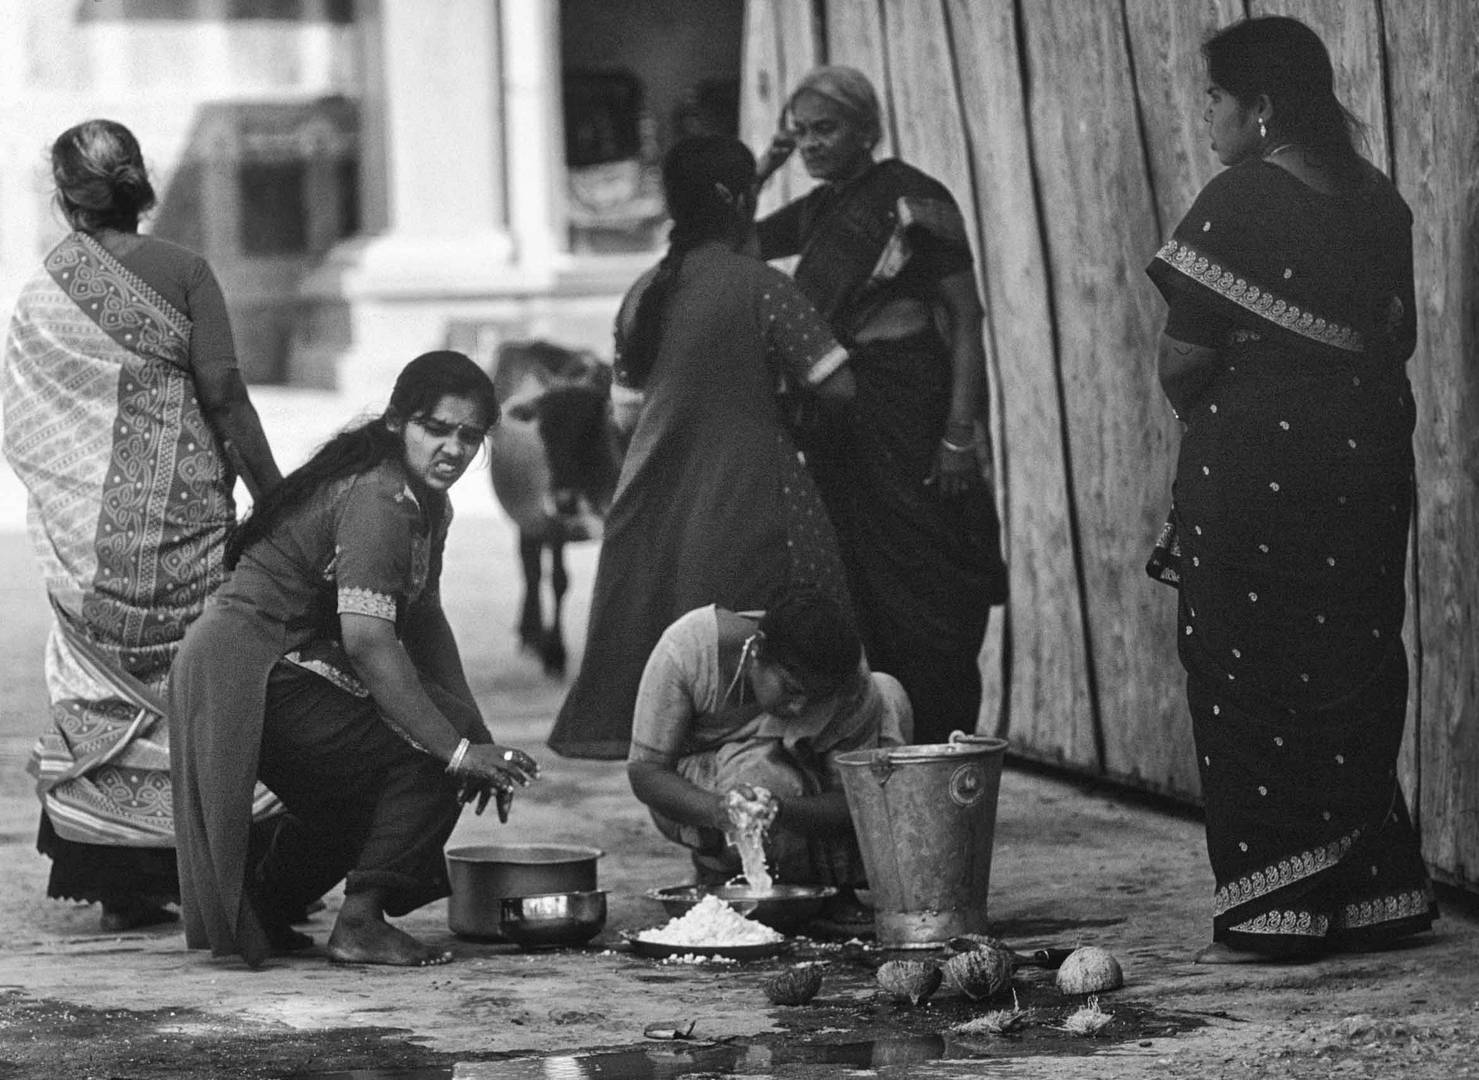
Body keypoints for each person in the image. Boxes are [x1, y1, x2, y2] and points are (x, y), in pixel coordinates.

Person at [1145, 16, 1436, 963]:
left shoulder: (1238, 201)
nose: (1209, 117)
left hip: (1257, 483)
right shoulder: (1379, 202)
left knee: (1249, 665)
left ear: (1262, 108)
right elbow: (1396, 340)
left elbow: (1182, 362)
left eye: (1216, 100)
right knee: (1348, 649)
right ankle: (1376, 888)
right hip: (1359, 472)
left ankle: (1282, 903)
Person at [169, 351, 541, 968]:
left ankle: (264, 903)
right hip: (250, 668)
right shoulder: (381, 499)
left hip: (268, 664)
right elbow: (370, 643)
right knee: (426, 756)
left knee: (388, 767)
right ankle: (361, 922)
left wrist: (478, 736)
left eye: (469, 436)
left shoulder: (427, 503)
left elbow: (424, 623)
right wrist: (456, 751)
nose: (453, 448)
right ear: (397, 422)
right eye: (435, 428)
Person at [1, 119, 283, 933]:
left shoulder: (42, 291)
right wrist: (278, 496)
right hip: (188, 525)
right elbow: (225, 397)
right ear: (142, 184)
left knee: (99, 683)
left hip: (85, 540)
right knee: (207, 683)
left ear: (64, 197)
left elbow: (31, 427)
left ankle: (117, 874)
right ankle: (222, 859)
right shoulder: (184, 271)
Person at [547, 136, 857, 759]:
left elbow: (626, 413)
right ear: (739, 200)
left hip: (657, 506)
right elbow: (840, 387)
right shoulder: (762, 286)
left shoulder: (643, 294)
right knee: (792, 651)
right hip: (757, 495)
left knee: (680, 674)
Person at [754, 66, 1007, 746]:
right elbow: (726, 241)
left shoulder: (911, 198)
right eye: (798, 133)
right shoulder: (815, 210)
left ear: (867, 130)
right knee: (863, 585)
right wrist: (766, 162)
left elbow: (966, 314)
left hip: (911, 407)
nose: (809, 144)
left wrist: (960, 433)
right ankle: (888, 756)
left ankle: (945, 749)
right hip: (842, 425)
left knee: (930, 581)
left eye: (824, 129)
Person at [628, 589, 911, 889]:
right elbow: (646, 772)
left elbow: (857, 800)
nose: (799, 707)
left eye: (815, 698)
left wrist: (781, 810)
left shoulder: (850, 682)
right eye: (791, 689)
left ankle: (835, 879)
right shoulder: (687, 650)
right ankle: (722, 868)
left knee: (889, 695)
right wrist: (719, 811)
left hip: (797, 795)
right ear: (758, 649)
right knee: (763, 777)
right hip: (708, 792)